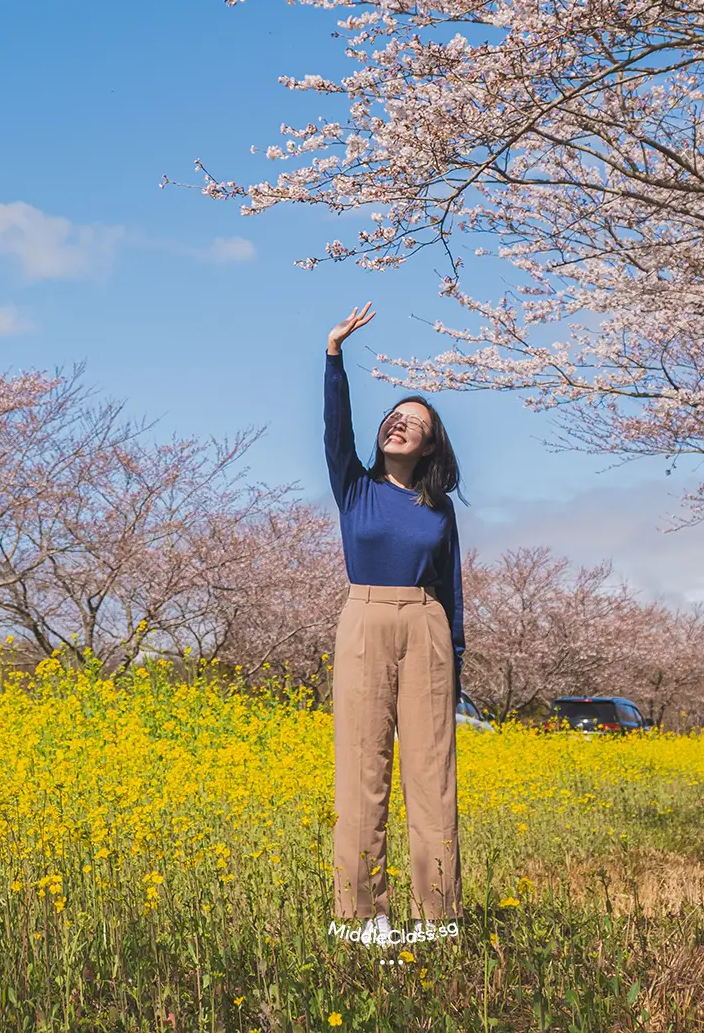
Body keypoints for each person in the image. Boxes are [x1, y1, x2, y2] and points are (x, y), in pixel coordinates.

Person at [324, 303, 465, 948]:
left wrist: (456, 657)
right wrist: (335, 357)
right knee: (361, 772)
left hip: (428, 625)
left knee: (431, 778)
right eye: (395, 418)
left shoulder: (437, 508)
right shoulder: (354, 485)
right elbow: (336, 429)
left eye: (415, 424)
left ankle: (437, 921)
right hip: (364, 617)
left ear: (432, 445)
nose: (400, 425)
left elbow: (453, 583)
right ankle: (362, 923)